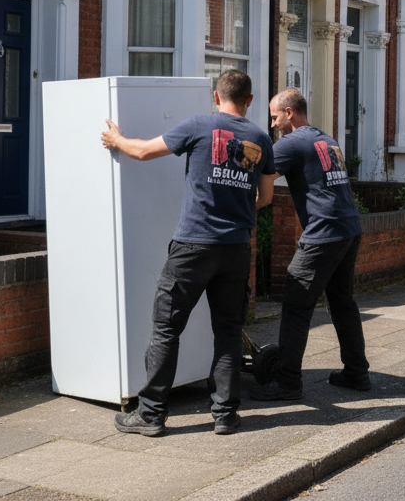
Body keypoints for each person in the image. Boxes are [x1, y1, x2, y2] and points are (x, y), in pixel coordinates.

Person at [99, 69, 275, 437]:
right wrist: (236, 208)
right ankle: (225, 415)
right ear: (250, 100)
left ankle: (150, 415)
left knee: (166, 327)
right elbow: (266, 198)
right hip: (236, 248)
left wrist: (116, 139)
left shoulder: (199, 125)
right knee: (228, 331)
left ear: (216, 96)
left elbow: (144, 151)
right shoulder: (261, 137)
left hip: (194, 245)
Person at [250, 88, 369, 401]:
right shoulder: (325, 139)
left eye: (275, 117)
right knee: (343, 303)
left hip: (324, 233)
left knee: (296, 304)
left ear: (289, 113)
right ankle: (357, 372)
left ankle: (287, 383)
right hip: (349, 228)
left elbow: (260, 171)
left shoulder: (291, 142)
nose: (273, 124)